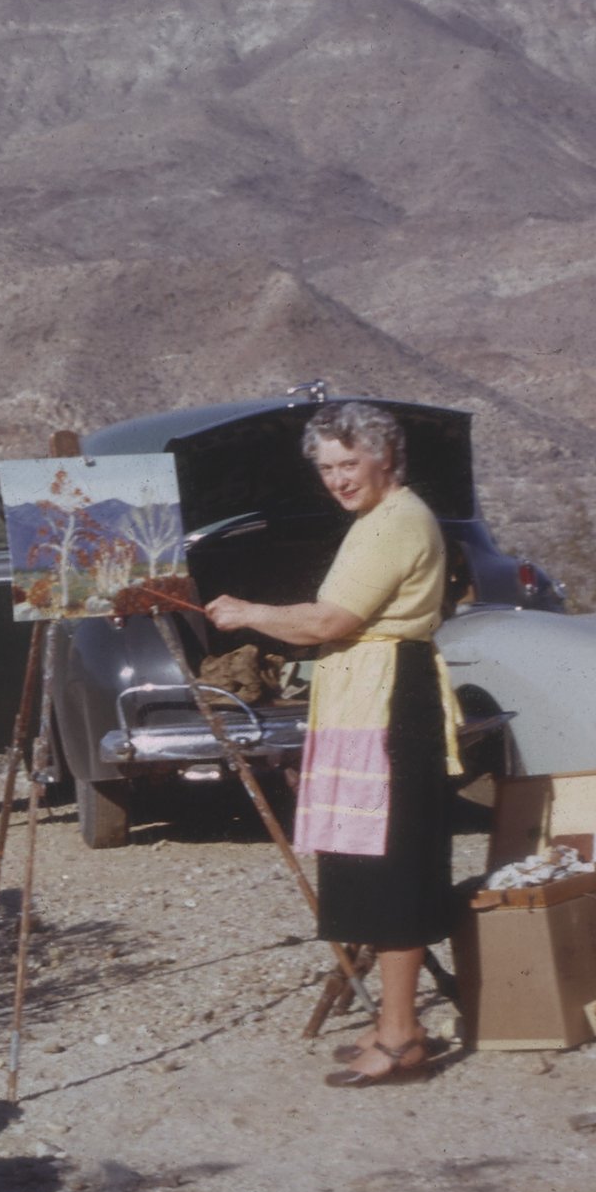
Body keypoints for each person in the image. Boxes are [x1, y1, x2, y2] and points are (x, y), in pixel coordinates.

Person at [204, 402, 463, 1086]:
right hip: (366, 694)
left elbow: (331, 618)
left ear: (385, 458)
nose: (338, 479)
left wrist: (246, 613)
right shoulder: (376, 520)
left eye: (349, 463)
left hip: (389, 698)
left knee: (391, 862)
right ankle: (393, 1026)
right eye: (326, 468)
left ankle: (404, 1035)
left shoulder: (397, 522)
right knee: (364, 857)